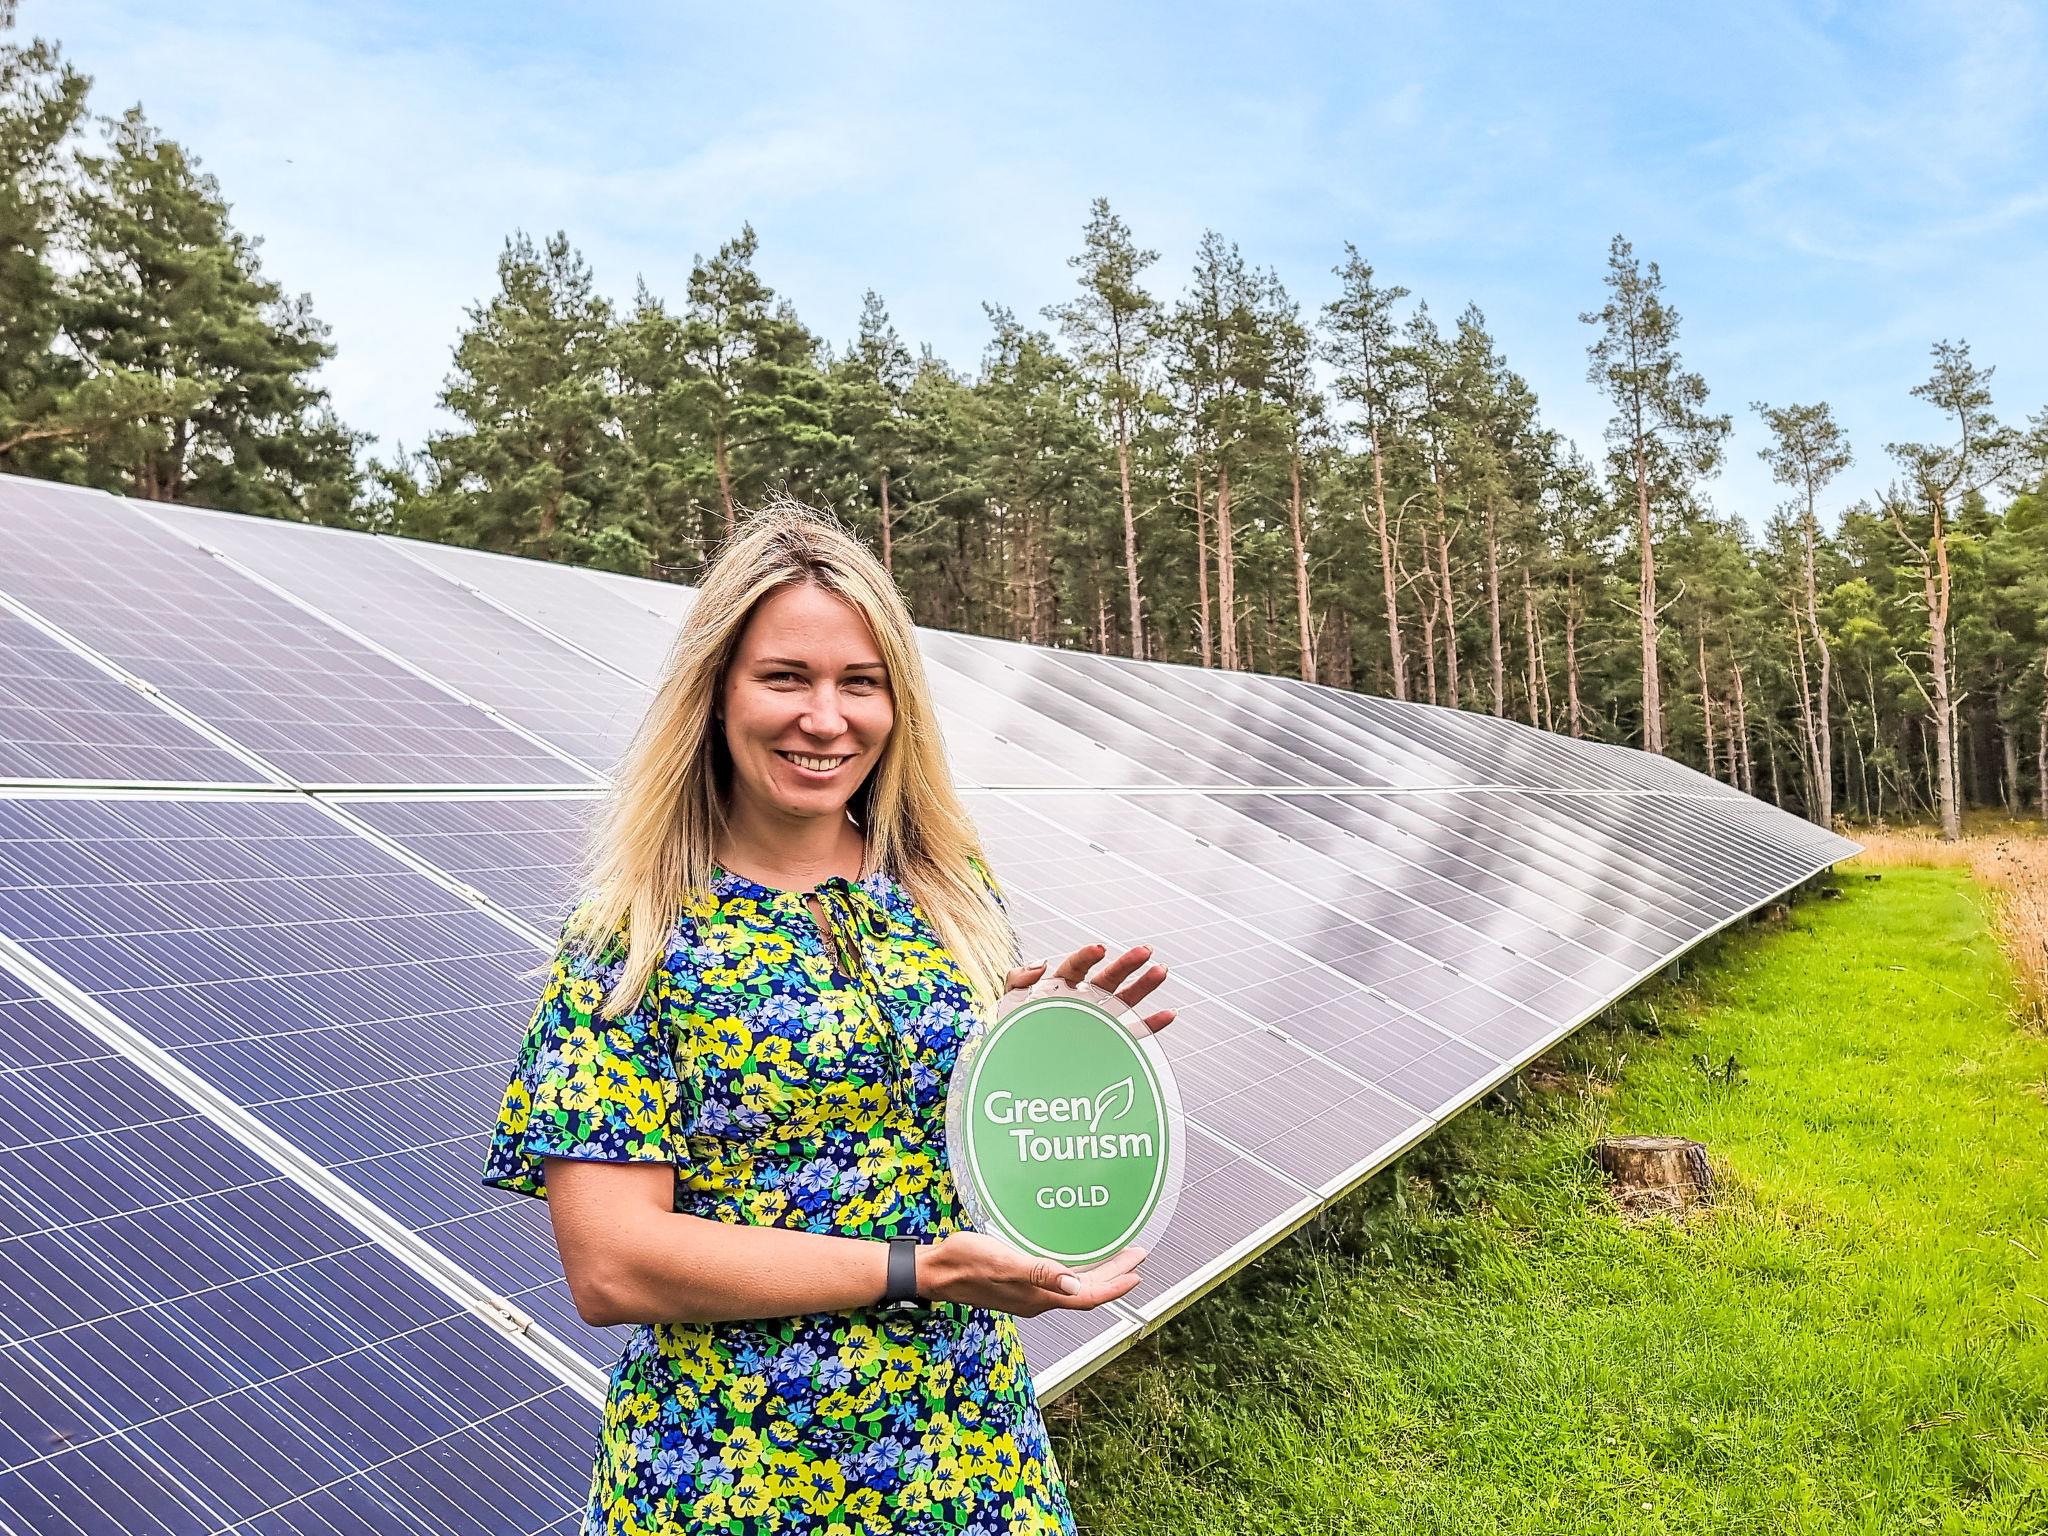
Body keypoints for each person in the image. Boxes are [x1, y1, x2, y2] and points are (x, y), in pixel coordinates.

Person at [483, 500, 1176, 1535]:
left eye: (860, 682)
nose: (825, 718)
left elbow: (961, 1140)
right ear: (715, 692)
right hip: (731, 1477)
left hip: (974, 1461)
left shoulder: (945, 892)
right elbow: (612, 1265)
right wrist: (918, 1271)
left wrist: (1050, 1050)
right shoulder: (632, 937)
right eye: (785, 678)